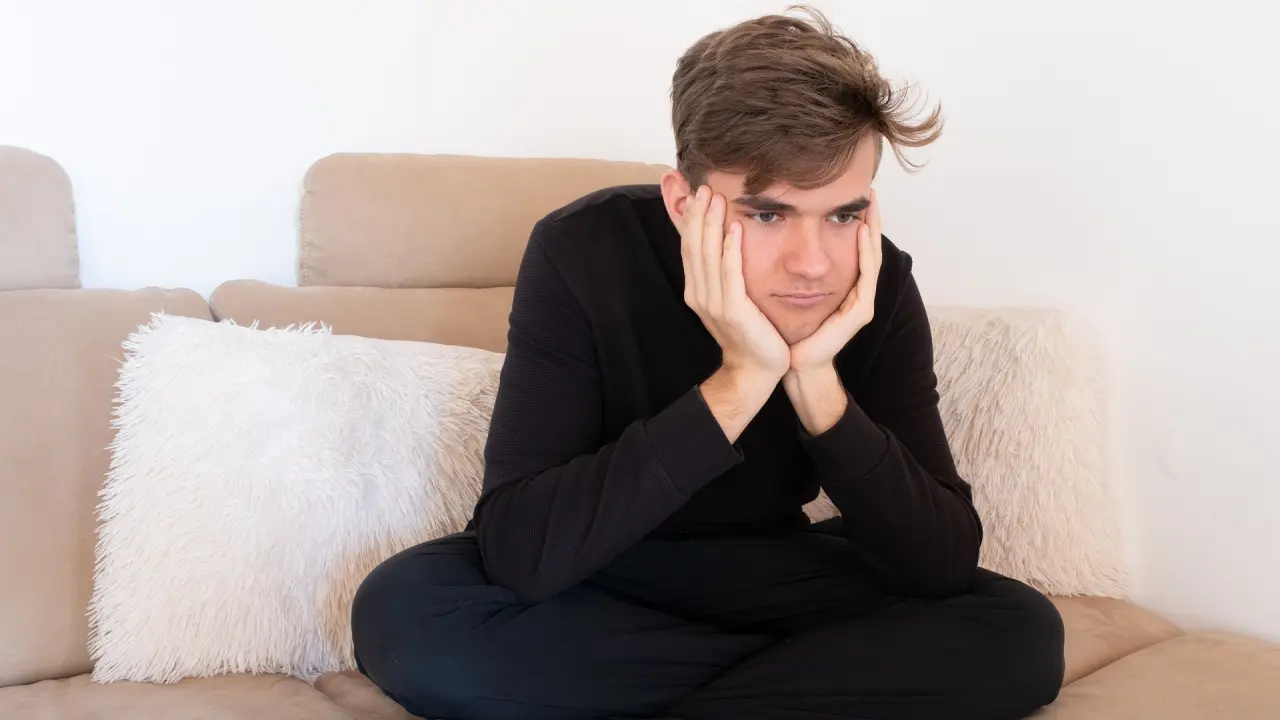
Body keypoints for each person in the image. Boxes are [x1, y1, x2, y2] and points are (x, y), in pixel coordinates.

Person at [351, 8, 1065, 720]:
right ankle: (805, 687)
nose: (813, 264)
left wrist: (816, 381)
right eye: (767, 215)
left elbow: (940, 564)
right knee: (408, 609)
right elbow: (523, 552)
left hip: (778, 574)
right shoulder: (582, 252)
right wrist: (743, 377)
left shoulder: (876, 284)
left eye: (843, 215)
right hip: (601, 574)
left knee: (1020, 631)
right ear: (683, 202)